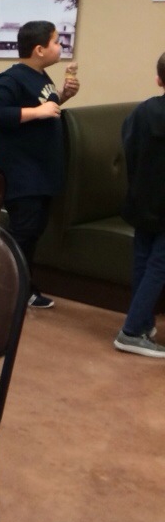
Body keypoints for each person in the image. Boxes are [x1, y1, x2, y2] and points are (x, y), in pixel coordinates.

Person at [0, 19, 80, 309]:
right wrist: (38, 112)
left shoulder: (41, 77)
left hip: (42, 171)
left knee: (33, 231)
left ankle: (23, 288)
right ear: (39, 49)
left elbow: (45, 107)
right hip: (22, 172)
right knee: (23, 231)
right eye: (56, 42)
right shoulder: (11, 78)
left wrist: (63, 96)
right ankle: (5, 289)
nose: (60, 46)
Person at [115, 52, 165, 358]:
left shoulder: (142, 110)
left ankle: (142, 322)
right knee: (159, 265)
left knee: (144, 261)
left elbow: (128, 146)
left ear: (159, 79)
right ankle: (132, 331)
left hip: (142, 199)